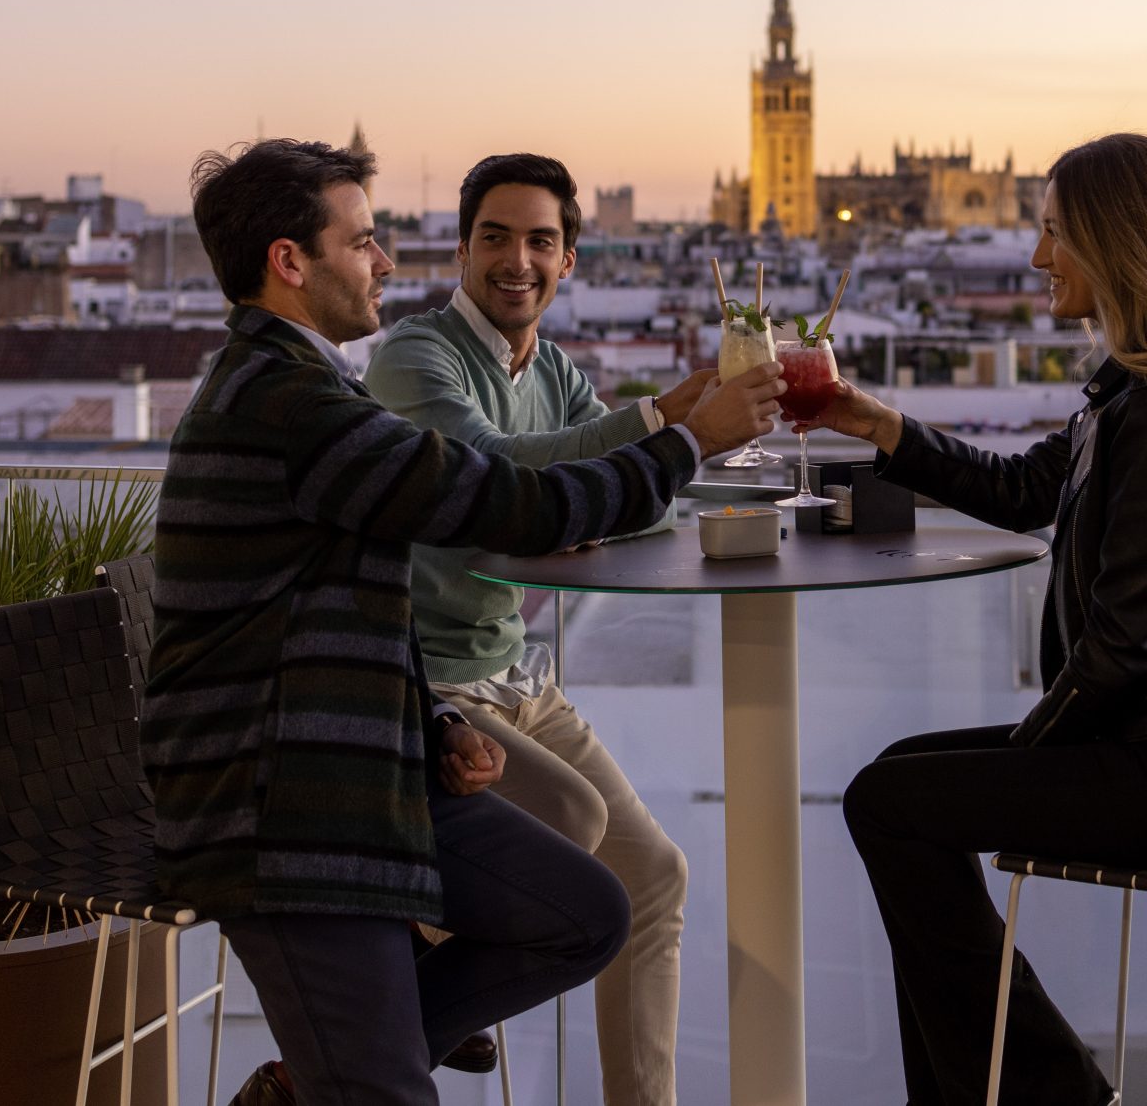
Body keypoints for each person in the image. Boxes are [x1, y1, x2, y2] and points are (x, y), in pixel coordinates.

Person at [142, 139, 782, 1106]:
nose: (385, 263)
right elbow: (512, 503)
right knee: (394, 1093)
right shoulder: (292, 405)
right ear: (290, 261)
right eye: (362, 243)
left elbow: (338, 613)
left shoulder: (304, 390)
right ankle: (352, 1071)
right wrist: (689, 437)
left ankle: (332, 1071)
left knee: (591, 910)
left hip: (357, 758)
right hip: (281, 805)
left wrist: (436, 727)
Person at [798, 132, 1147, 1106]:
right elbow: (1027, 489)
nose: (1037, 258)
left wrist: (1029, 758)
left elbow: (1121, 642)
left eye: (1053, 234)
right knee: (896, 782)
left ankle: (1051, 1092)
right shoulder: (1138, 388)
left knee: (887, 805)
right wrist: (873, 421)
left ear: (1116, 243)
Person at [366, 153, 701, 1106]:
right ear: (462, 249)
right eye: (496, 238)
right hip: (429, 685)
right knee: (578, 824)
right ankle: (410, 974)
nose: (518, 260)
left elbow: (632, 498)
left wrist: (595, 490)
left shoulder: (551, 368)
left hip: (516, 677)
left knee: (655, 878)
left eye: (540, 241)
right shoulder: (414, 356)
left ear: (570, 261)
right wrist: (660, 425)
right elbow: (499, 474)